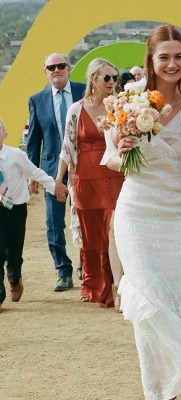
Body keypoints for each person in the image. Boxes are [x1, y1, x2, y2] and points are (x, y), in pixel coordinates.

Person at [103, 25, 181, 399]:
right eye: (164, 57)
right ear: (152, 60)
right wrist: (122, 150)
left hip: (179, 216)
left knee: (174, 306)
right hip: (137, 213)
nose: (172, 63)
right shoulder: (129, 98)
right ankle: (159, 392)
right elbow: (109, 157)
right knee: (148, 303)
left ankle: (178, 390)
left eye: (179, 56)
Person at [54, 58, 124, 309]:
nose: (112, 82)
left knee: (113, 232)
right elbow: (67, 146)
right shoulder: (76, 109)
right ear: (93, 79)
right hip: (84, 180)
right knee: (92, 236)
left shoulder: (120, 107)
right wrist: (59, 179)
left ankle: (118, 287)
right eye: (106, 78)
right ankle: (96, 287)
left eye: (114, 78)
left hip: (114, 176)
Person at [26, 53, 86, 292]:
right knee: (54, 223)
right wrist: (32, 173)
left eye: (61, 66)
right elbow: (34, 141)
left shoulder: (85, 91)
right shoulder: (37, 100)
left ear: (69, 68)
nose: (56, 70)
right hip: (52, 172)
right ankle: (63, 271)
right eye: (51, 67)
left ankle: (86, 265)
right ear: (46, 71)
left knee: (85, 219)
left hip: (84, 167)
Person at [0, 120, 58, 312]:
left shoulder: (15, 155)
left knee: (14, 253)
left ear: (4, 135)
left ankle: (15, 278)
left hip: (15, 210)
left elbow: (35, 172)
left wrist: (55, 187)